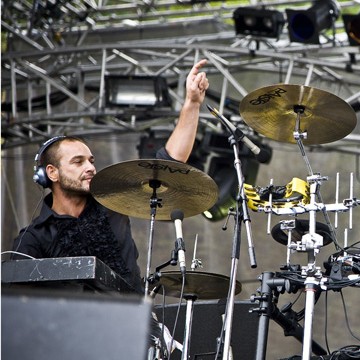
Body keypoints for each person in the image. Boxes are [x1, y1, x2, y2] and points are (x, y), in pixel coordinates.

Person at [10, 59, 210, 293]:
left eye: (91, 161)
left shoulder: (112, 200)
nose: (90, 167)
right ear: (51, 173)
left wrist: (192, 103)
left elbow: (168, 163)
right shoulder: (33, 238)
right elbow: (17, 302)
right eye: (78, 161)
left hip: (132, 322)